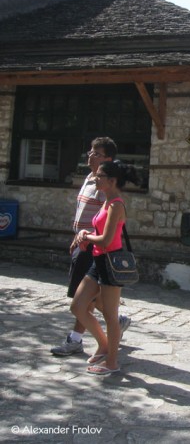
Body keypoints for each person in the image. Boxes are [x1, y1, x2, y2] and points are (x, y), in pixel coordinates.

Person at [51, 138, 131, 357]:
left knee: (83, 299)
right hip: (84, 242)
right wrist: (78, 237)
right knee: (88, 298)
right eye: (90, 152)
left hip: (94, 247)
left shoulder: (107, 188)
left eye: (96, 153)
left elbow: (106, 226)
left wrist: (86, 236)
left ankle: (77, 339)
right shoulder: (90, 179)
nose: (90, 155)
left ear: (108, 159)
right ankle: (116, 322)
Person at [70, 160, 140, 375]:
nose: (95, 178)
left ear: (112, 181)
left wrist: (85, 236)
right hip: (97, 261)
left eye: (100, 176)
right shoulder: (106, 201)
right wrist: (86, 234)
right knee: (78, 306)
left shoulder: (116, 205)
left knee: (111, 315)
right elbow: (98, 232)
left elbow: (107, 240)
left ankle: (111, 362)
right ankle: (104, 345)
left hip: (111, 263)